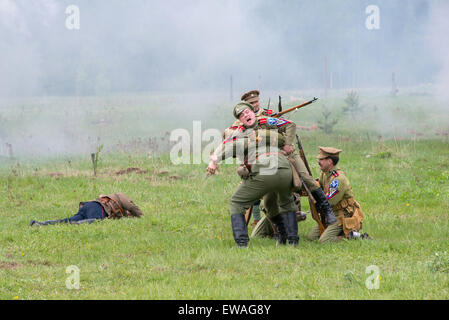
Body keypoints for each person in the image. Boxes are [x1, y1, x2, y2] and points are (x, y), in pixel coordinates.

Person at [208, 101, 299, 247]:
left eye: (247, 112)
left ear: (253, 112)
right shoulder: (267, 134)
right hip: (286, 170)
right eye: (241, 115)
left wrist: (214, 161)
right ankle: (291, 240)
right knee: (281, 202)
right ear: (240, 120)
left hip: (265, 170)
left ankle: (242, 244)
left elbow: (228, 146)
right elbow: (226, 142)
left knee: (236, 202)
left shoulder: (246, 135)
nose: (245, 115)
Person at [222, 90, 275, 226]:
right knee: (252, 184)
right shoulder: (240, 121)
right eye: (251, 103)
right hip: (251, 159)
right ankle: (257, 218)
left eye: (256, 101)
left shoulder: (269, 114)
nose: (255, 105)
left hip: (271, 156)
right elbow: (228, 134)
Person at [308, 147, 366, 242]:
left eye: (321, 159)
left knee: (324, 241)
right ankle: (341, 232)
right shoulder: (324, 174)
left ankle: (354, 236)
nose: (319, 162)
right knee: (312, 237)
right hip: (331, 214)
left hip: (342, 215)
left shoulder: (338, 179)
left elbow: (328, 201)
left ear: (330, 161)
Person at [30, 192, 143, 226]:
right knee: (97, 220)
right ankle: (78, 224)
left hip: (88, 206)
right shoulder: (119, 195)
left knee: (68, 220)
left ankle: (41, 224)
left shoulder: (120, 213)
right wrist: (142, 216)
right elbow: (131, 206)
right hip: (98, 207)